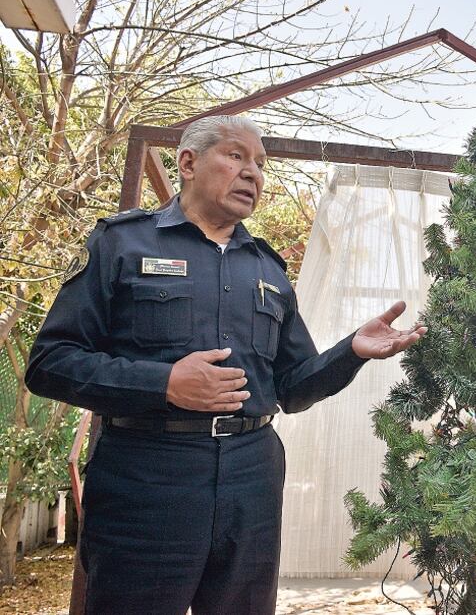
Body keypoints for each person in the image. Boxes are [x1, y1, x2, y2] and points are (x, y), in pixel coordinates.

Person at [25, 115, 426, 614]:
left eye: (260, 163)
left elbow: (292, 389)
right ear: (188, 162)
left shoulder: (267, 268)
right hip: (146, 478)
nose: (253, 173)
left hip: (251, 479)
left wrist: (351, 351)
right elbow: (50, 363)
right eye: (236, 156)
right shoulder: (121, 244)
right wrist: (165, 383)